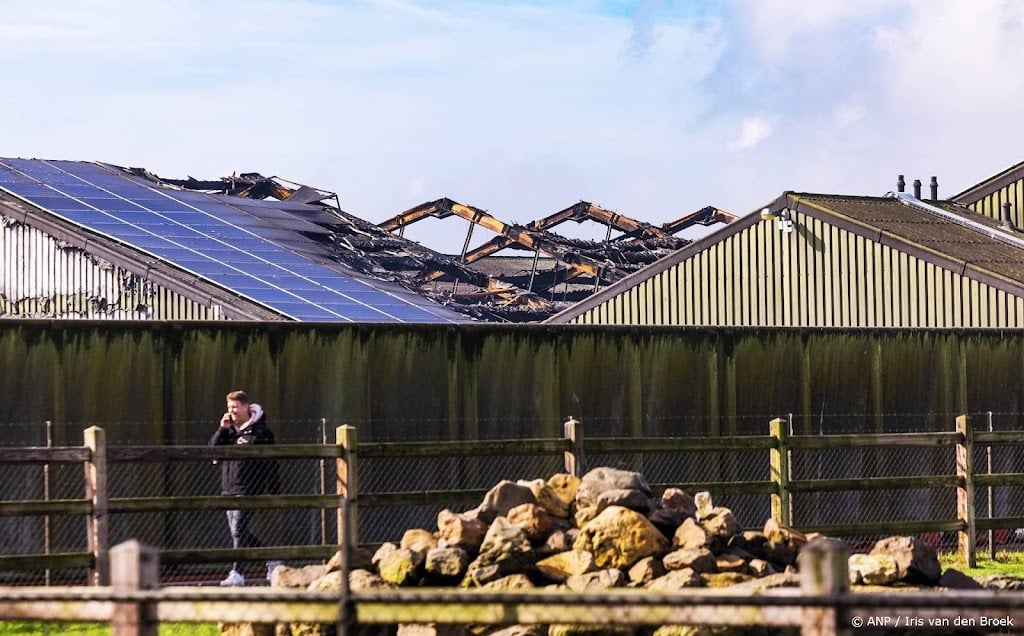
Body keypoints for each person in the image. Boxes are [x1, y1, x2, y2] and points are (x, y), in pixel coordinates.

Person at [209, 390, 282, 586]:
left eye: (234, 407)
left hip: (249, 488)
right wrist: (222, 429)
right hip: (228, 489)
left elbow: (271, 462)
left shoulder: (261, 433)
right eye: (229, 407)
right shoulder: (230, 431)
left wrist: (274, 489)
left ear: (245, 407)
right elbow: (212, 450)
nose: (231, 411)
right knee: (238, 531)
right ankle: (271, 560)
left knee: (239, 530)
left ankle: (237, 573)